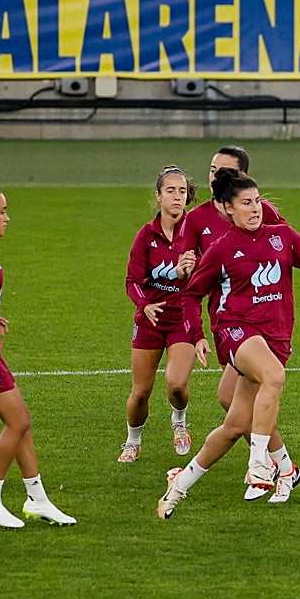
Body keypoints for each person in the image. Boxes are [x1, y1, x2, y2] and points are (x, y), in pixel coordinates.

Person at [155, 169, 300, 519]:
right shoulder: (222, 249)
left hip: (276, 337)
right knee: (275, 377)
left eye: (257, 201)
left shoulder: (282, 236)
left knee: (236, 425)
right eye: (246, 204)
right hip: (236, 329)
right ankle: (259, 465)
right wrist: (197, 336)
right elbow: (191, 295)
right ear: (227, 209)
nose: (255, 209)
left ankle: (178, 487)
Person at [175, 145, 300, 503]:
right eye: (213, 169)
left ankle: (185, 482)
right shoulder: (198, 219)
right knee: (255, 388)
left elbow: (287, 246)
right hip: (231, 321)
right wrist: (185, 268)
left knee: (233, 415)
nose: (216, 175)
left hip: (266, 324)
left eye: (224, 171)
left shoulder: (262, 213)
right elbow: (188, 266)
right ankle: (266, 464)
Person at [0, 184, 75, 528]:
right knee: (18, 422)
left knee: (21, 423)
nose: (7, 217)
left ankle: (38, 499)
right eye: (1, 211)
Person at [119, 166, 199, 464]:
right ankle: (132, 441)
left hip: (182, 319)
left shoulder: (195, 233)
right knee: (140, 393)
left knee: (176, 384)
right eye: (171, 191)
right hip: (150, 322)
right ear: (158, 196)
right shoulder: (146, 235)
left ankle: (179, 420)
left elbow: (204, 276)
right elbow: (132, 282)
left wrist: (185, 275)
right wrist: (144, 305)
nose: (177, 196)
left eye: (182, 191)